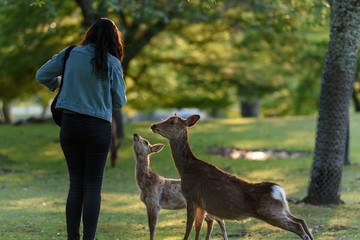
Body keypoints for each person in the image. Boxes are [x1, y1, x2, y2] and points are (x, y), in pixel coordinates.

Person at [36, 18, 126, 240]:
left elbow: (42, 75)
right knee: (93, 186)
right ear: (115, 39)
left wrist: (57, 85)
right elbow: (119, 102)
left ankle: (72, 238)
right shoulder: (113, 62)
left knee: (76, 184)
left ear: (90, 33)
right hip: (98, 128)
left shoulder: (70, 54)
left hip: (70, 125)